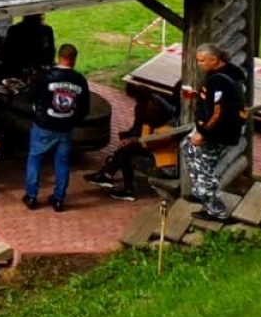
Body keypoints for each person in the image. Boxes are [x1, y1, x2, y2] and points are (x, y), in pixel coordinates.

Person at [181, 44, 248, 219]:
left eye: (202, 60)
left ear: (214, 59)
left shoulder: (219, 80)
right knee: (187, 147)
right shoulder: (228, 73)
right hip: (219, 128)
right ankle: (202, 193)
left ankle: (215, 209)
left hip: (218, 132)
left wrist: (203, 133)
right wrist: (200, 95)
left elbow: (218, 113)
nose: (199, 64)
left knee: (204, 168)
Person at [23, 43, 90, 211]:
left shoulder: (45, 76)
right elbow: (84, 109)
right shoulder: (79, 80)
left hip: (43, 126)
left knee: (35, 159)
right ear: (74, 60)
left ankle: (32, 196)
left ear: (59, 57)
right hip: (65, 128)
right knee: (62, 163)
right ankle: (59, 199)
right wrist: (72, 120)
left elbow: (30, 96)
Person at [88, 84, 180, 201]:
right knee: (125, 152)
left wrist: (131, 139)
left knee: (125, 152)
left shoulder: (149, 111)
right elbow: (140, 132)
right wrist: (129, 136)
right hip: (155, 145)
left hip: (161, 156)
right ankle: (114, 179)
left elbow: (147, 139)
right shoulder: (155, 102)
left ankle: (110, 176)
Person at [2, 13, 56, 77]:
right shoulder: (15, 30)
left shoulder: (46, 30)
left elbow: (51, 51)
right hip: (20, 70)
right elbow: (9, 54)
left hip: (41, 69)